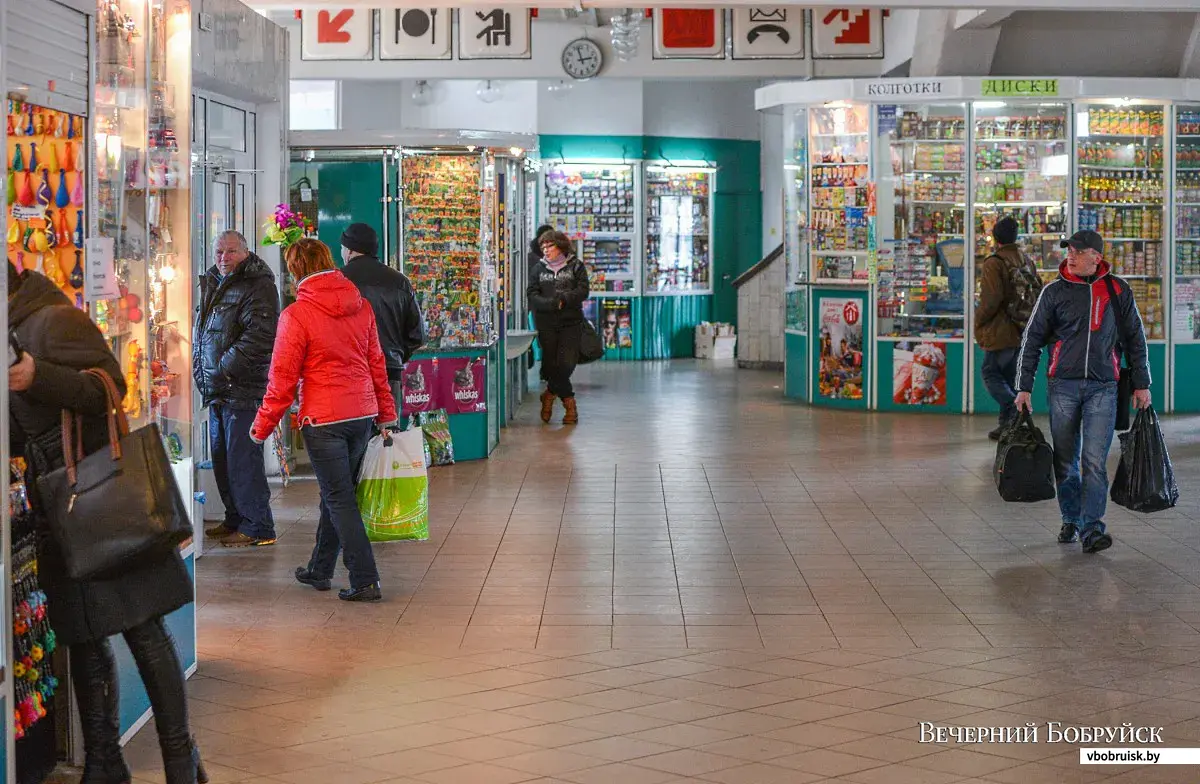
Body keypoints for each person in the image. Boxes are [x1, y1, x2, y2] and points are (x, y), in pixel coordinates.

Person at [8, 264, 204, 783]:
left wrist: (37, 376)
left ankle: (180, 762)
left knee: (143, 630)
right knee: (84, 638)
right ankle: (103, 761)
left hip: (102, 499)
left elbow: (107, 388)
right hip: (57, 507)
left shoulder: (50, 319)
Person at [250, 239, 397, 602]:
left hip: (324, 419)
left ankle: (365, 578)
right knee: (337, 495)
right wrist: (386, 414)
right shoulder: (359, 306)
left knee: (339, 498)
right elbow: (377, 364)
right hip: (361, 414)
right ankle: (320, 568)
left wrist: (260, 428)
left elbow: (282, 379)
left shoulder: (297, 315)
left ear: (296, 270)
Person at [1015, 230, 1152, 554]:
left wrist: (1142, 383)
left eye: (1077, 251)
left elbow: (1135, 338)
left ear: (1096, 256)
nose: (1070, 256)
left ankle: (1092, 528)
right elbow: (1031, 341)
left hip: (1104, 387)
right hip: (1062, 386)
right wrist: (1023, 387)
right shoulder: (1053, 292)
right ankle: (1071, 519)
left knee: (1093, 460)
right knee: (1065, 460)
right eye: (1069, 251)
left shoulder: (1118, 290)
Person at [193, 229, 280, 547]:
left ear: (245, 252)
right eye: (218, 252)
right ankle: (236, 518)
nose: (223, 258)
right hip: (217, 387)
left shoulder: (259, 285)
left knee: (243, 459)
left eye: (230, 251)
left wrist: (222, 366)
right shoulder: (215, 282)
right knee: (223, 458)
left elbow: (259, 337)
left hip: (241, 388)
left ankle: (259, 525)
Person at [339, 222, 425, 413]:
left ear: (351, 250)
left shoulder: (337, 280)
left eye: (343, 248)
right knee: (387, 436)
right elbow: (417, 335)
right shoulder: (400, 282)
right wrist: (395, 354)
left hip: (348, 374)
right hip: (389, 371)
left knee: (355, 437)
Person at [976, 216, 1043, 440]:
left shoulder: (994, 262)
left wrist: (979, 320)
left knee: (990, 372)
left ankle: (1014, 408)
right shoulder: (1026, 260)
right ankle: (1008, 425)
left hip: (1001, 329)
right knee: (1010, 374)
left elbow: (991, 299)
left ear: (996, 237)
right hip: (1022, 328)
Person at [527, 230, 590, 425]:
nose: (545, 250)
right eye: (543, 247)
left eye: (549, 246)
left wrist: (565, 299)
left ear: (560, 246)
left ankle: (549, 395)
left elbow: (583, 290)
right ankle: (570, 405)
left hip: (571, 321)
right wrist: (548, 304)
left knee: (567, 364)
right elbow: (531, 293)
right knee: (552, 364)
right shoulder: (538, 268)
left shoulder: (576, 266)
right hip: (546, 323)